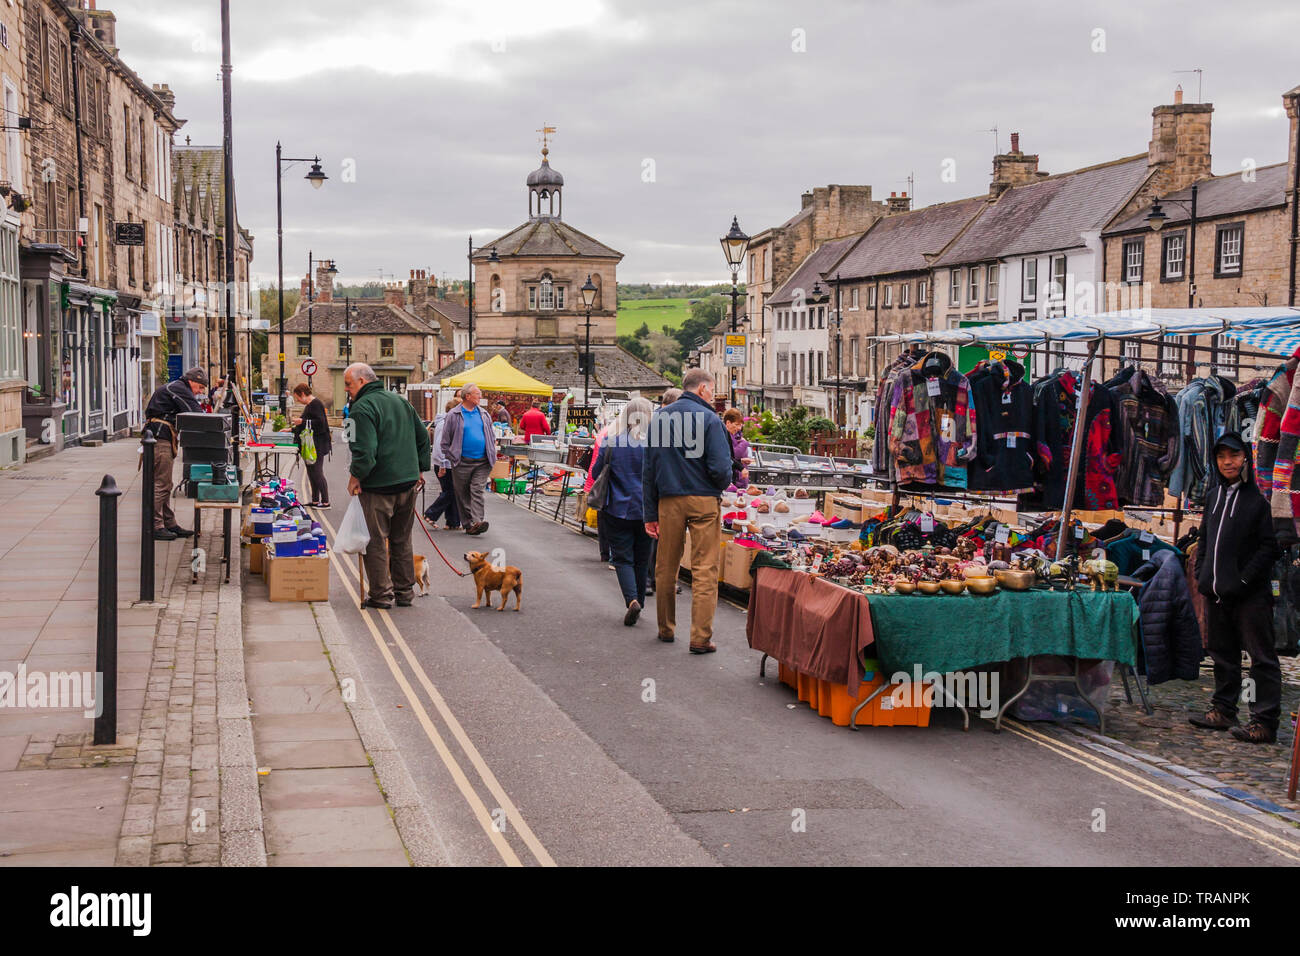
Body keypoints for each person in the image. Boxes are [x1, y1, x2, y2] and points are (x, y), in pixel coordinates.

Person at [1189, 431, 1282, 743]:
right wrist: (1202, 576)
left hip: (1249, 597)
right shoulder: (1214, 496)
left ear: (1246, 458)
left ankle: (1262, 719)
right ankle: (1225, 709)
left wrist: (1243, 581)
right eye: (1221, 456)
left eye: (1234, 455)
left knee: (1258, 660)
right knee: (1224, 655)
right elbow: (1204, 539)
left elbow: (1270, 548)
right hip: (1216, 593)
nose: (1227, 462)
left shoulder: (1259, 500)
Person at [642, 369, 733, 652]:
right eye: (712, 389)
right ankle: (700, 637)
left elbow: (649, 468)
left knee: (666, 567)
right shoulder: (710, 419)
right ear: (703, 388)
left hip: (668, 500)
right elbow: (720, 468)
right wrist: (721, 482)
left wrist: (649, 513)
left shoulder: (660, 418)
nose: (712, 395)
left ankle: (666, 628)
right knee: (705, 569)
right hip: (704, 499)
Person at [344, 362, 430, 609]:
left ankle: (381, 595)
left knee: (375, 540)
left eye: (349, 384)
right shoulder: (400, 401)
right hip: (408, 482)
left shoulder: (362, 407)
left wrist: (355, 476)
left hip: (379, 486)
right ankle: (405, 592)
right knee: (402, 539)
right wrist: (420, 469)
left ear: (362, 381)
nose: (347, 390)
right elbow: (422, 436)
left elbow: (365, 451)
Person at [591, 398, 655, 625]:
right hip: (648, 510)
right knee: (642, 557)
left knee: (622, 558)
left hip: (617, 508)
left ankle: (632, 601)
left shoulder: (612, 441)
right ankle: (640, 601)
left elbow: (596, 471)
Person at [143, 367, 207, 541]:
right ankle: (154, 526)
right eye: (200, 387)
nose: (200, 392)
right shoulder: (180, 388)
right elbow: (196, 413)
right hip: (160, 437)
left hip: (163, 436)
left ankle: (169, 523)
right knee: (161, 484)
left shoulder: (178, 387)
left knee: (166, 483)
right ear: (192, 381)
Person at [440, 382, 496, 536]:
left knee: (476, 489)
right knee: (462, 493)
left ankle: (478, 521)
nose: (480, 396)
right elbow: (445, 442)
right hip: (462, 461)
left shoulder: (484, 414)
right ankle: (468, 524)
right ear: (467, 396)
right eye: (477, 393)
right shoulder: (454, 415)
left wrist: (492, 450)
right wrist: (453, 458)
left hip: (483, 461)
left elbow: (491, 434)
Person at [643, 387, 682, 597]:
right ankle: (651, 579)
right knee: (657, 538)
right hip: (661, 488)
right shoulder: (657, 422)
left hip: (666, 488)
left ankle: (658, 580)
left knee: (663, 539)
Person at [291, 382, 333, 508]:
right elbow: (304, 425)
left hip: (317, 445)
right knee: (311, 472)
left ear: (303, 394)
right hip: (311, 445)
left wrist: (302, 421)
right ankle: (315, 500)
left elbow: (320, 423)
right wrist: (291, 429)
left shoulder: (315, 404)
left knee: (317, 472)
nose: (298, 400)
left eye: (298, 397)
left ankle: (326, 502)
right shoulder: (310, 405)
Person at [424, 398, 463, 530]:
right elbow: (442, 446)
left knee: (452, 492)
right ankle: (431, 513)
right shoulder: (446, 423)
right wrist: (443, 464)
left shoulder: (446, 422)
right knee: (450, 491)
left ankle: (453, 522)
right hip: (445, 463)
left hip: (447, 463)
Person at [722, 408, 752, 489]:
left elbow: (727, 457)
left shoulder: (727, 434)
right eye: (736, 424)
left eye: (740, 425)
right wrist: (741, 468)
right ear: (728, 423)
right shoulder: (722, 435)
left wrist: (740, 461)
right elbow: (724, 457)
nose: (739, 428)